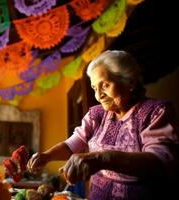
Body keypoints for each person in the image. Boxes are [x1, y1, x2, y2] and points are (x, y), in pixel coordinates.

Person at [27, 50, 179, 199]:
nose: (99, 95)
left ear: (130, 82)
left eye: (105, 85)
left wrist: (103, 158)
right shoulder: (96, 114)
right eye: (94, 88)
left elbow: (160, 162)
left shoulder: (155, 112)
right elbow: (72, 145)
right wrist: (47, 156)